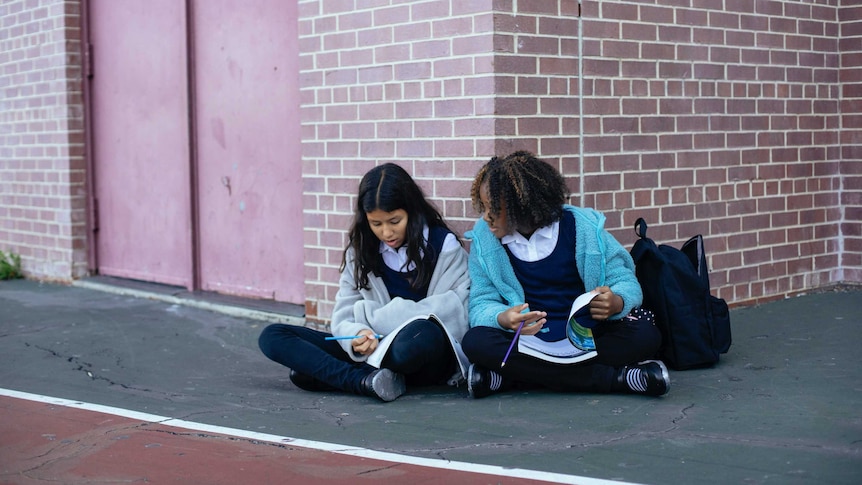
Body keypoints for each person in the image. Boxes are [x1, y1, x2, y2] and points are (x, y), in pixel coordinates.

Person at [462, 151, 669, 398]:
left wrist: (617, 302)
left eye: (492, 207)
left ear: (523, 203)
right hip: (528, 342)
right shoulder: (485, 239)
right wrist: (502, 318)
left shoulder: (583, 227)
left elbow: (625, 280)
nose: (485, 216)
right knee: (475, 342)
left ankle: (509, 378)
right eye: (483, 207)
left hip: (586, 338)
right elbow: (480, 304)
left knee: (646, 336)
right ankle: (618, 379)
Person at [258, 163, 470, 402]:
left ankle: (339, 375)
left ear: (412, 211)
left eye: (394, 221)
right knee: (273, 335)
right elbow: (343, 315)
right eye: (376, 224)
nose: (386, 233)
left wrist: (372, 318)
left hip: (419, 353)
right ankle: (363, 381)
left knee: (421, 335)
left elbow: (454, 311)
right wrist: (357, 334)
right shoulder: (361, 250)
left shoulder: (444, 246)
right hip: (372, 350)